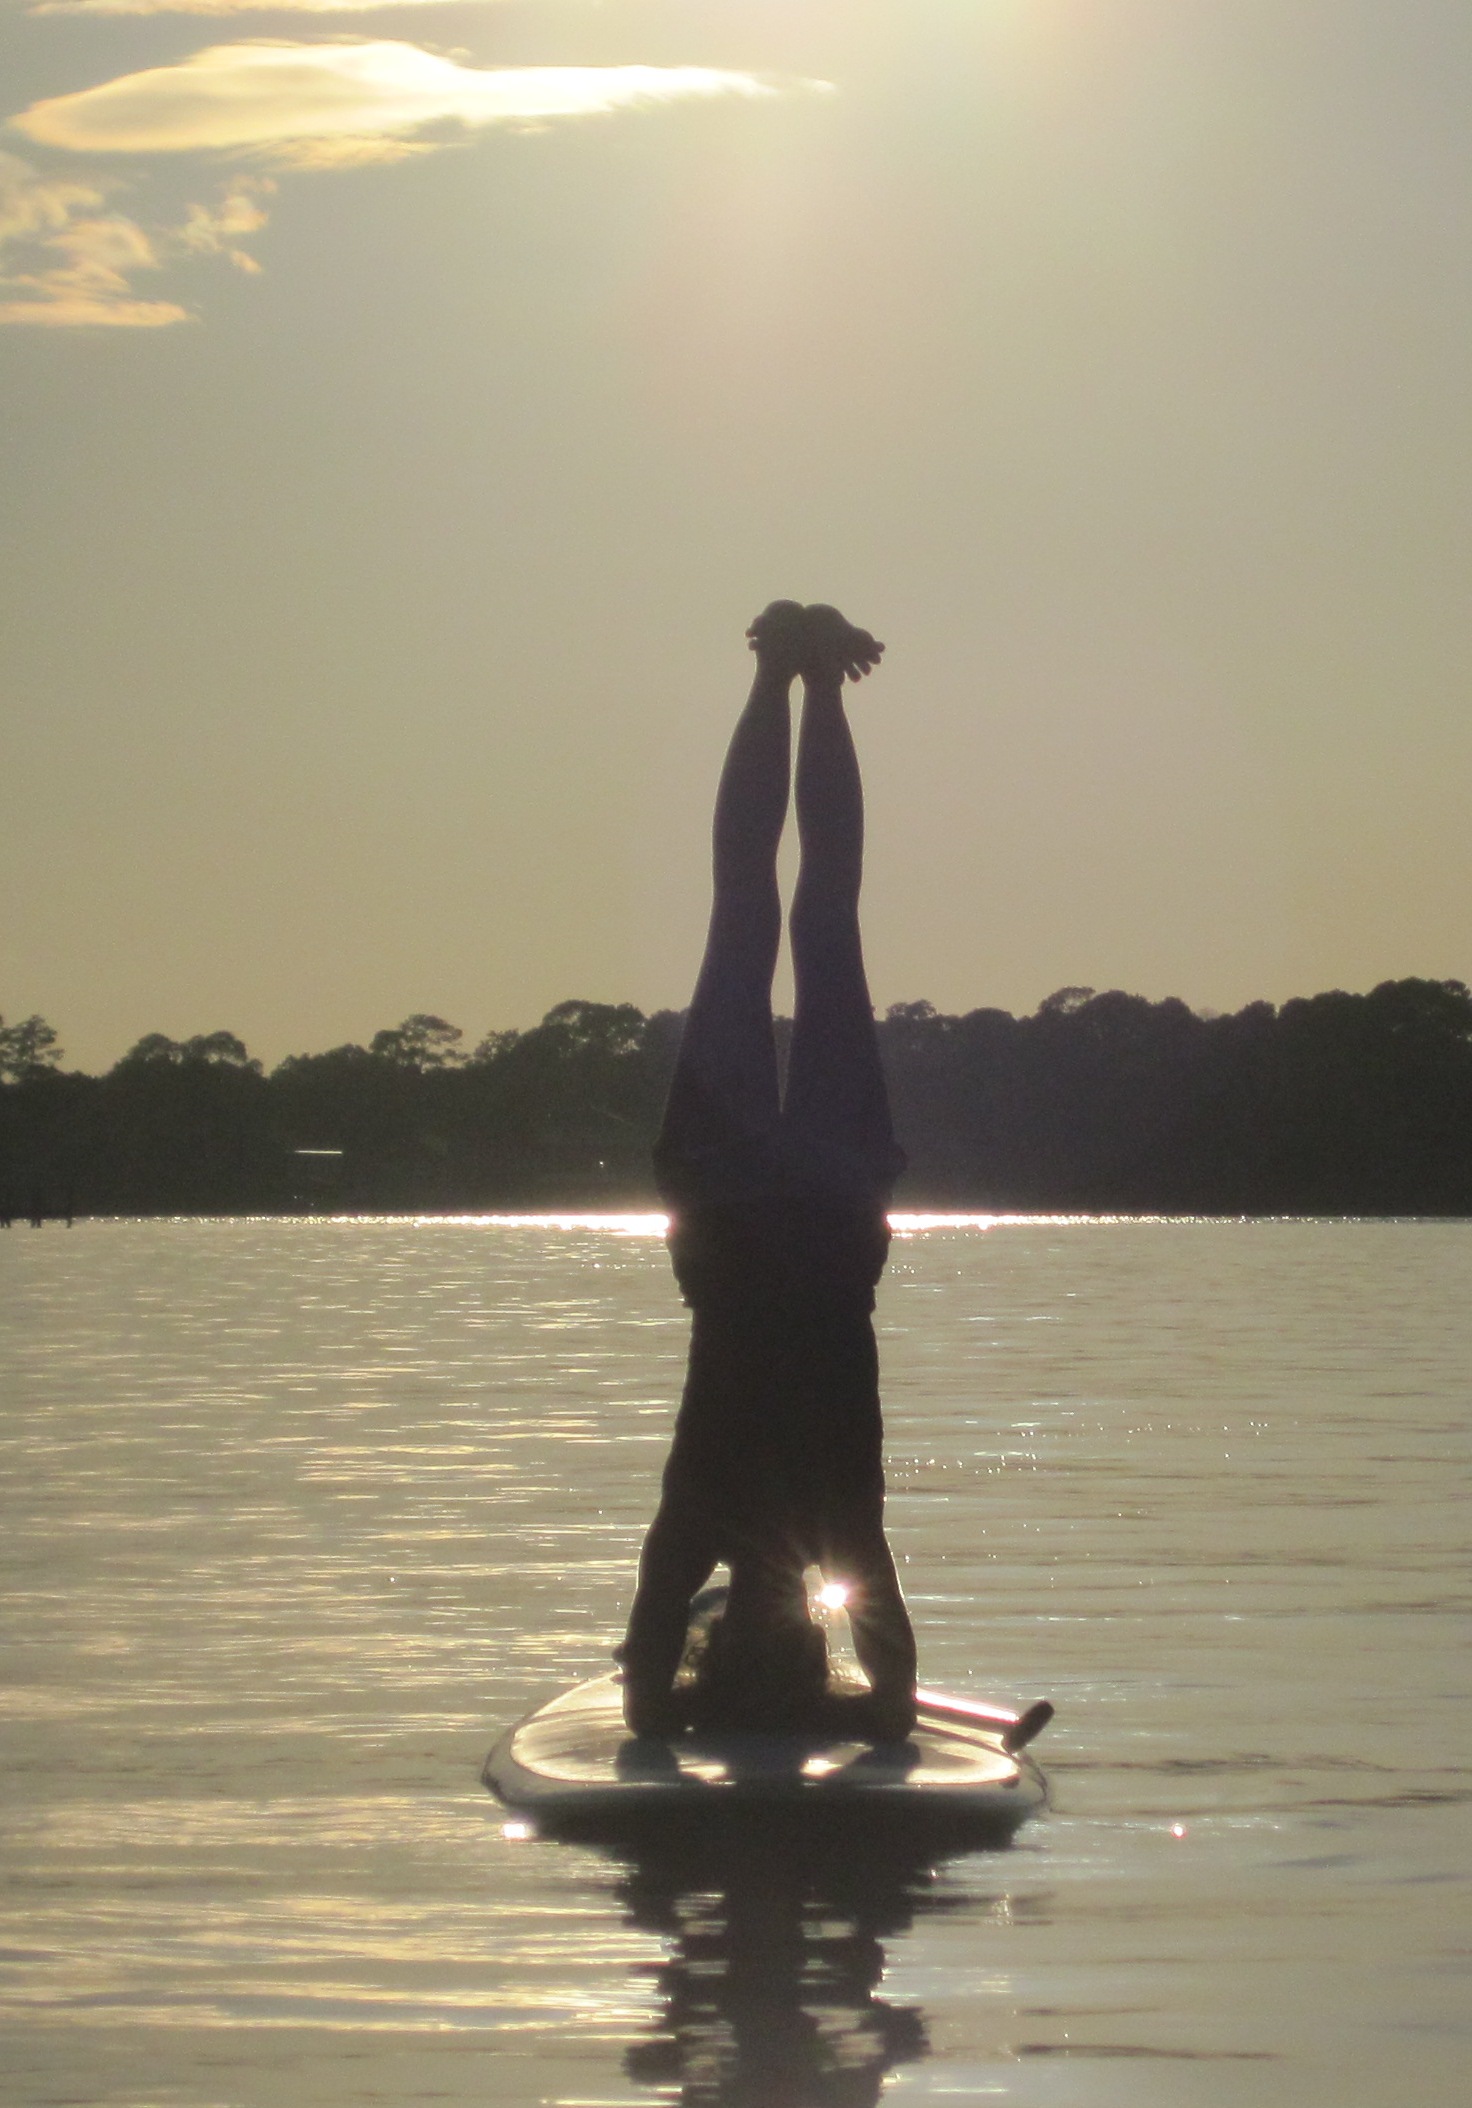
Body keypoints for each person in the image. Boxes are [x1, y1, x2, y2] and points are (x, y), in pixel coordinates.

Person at [617, 601, 918, 1741]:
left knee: (804, 913)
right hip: (736, 1191)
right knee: (759, 910)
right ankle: (783, 672)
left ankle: (807, 678)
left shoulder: (836, 1535)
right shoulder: (701, 1532)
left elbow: (887, 1688)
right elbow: (648, 1684)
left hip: (827, 1197)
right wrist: (681, 1706)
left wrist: (867, 1714)